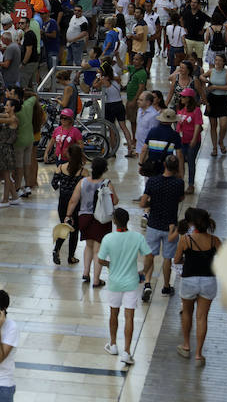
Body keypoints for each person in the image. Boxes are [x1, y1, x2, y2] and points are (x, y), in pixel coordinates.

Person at [98, 208, 153, 366]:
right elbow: (149, 256)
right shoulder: (137, 237)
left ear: (114, 221)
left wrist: (110, 265)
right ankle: (127, 352)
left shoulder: (108, 238)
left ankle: (113, 344)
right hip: (131, 282)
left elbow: (100, 260)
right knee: (129, 316)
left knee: (113, 313)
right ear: (127, 220)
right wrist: (144, 271)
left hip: (115, 282)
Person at [174, 208, 221, 365]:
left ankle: (186, 346)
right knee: (202, 317)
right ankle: (199, 355)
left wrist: (185, 261)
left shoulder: (185, 240)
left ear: (191, 223)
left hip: (189, 280)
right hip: (209, 281)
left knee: (187, 312)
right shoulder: (215, 240)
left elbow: (176, 259)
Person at [66, 157, 119, 288]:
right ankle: (96, 279)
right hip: (101, 219)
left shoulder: (83, 182)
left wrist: (67, 216)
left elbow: (73, 200)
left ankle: (85, 272)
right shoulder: (107, 183)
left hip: (84, 217)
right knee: (98, 251)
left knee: (89, 246)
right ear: (104, 170)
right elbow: (115, 201)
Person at [139, 155, 183, 301]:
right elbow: (181, 198)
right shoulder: (179, 183)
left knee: (150, 255)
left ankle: (147, 283)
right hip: (170, 226)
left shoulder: (153, 181)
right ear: (176, 167)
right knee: (167, 258)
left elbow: (142, 203)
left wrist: (152, 204)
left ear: (164, 164)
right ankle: (165, 286)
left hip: (154, 224)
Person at [52, 144, 87, 266]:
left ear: (68, 155)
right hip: (76, 203)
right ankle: (71, 257)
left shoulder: (61, 167)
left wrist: (63, 187)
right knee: (74, 231)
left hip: (63, 202)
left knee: (64, 226)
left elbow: (54, 184)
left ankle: (56, 249)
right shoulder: (83, 172)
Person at [202, 54, 227, 156]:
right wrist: (205, 80)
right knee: (213, 125)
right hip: (212, 99)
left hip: (223, 100)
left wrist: (215, 86)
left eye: (220, 60)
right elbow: (202, 76)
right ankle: (214, 147)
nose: (217, 62)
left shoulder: (226, 72)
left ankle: (221, 140)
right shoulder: (211, 71)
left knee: (223, 125)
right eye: (216, 60)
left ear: (224, 62)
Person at [175, 89, 203, 194]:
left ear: (189, 99)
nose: (181, 98)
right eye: (181, 96)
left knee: (191, 161)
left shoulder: (196, 110)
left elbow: (197, 125)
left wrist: (194, 139)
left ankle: (191, 184)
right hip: (181, 140)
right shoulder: (180, 109)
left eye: (184, 97)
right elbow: (178, 124)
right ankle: (180, 182)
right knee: (180, 162)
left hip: (192, 141)